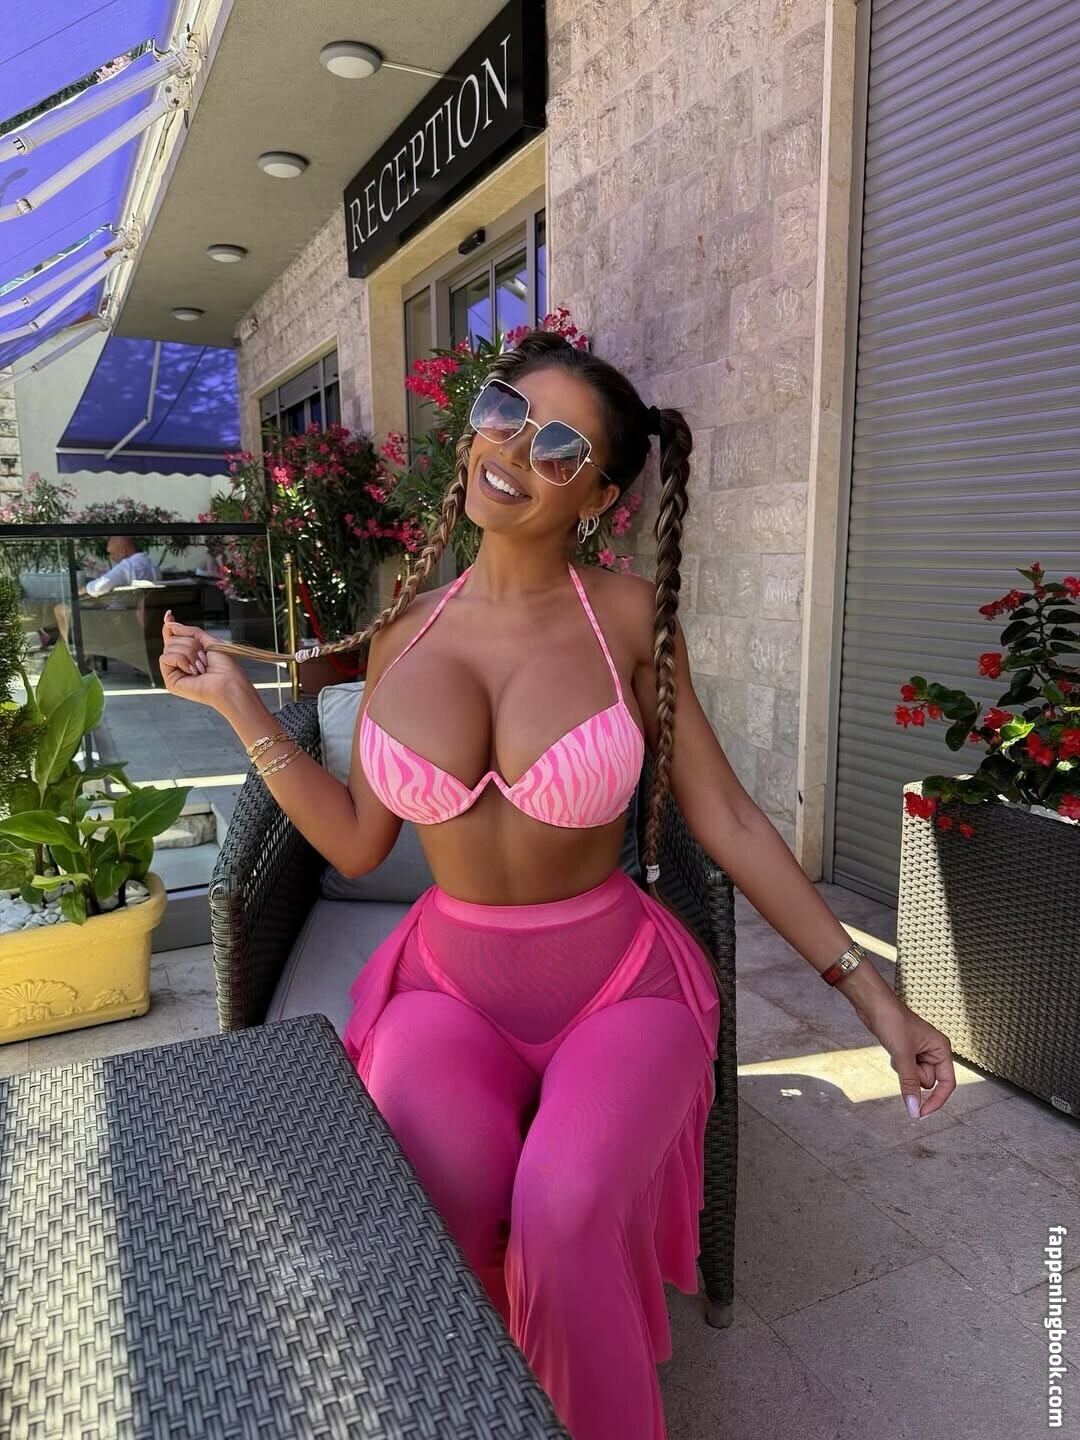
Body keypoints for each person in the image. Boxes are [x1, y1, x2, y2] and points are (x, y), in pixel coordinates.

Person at [158, 330, 956, 1440]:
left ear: (600, 498)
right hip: (446, 988)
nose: (513, 450)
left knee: (565, 1212)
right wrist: (237, 706)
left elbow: (726, 818)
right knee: (443, 1206)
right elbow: (355, 844)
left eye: (560, 447)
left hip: (619, 985)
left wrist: (874, 997)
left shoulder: (626, 618)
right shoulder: (402, 634)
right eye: (503, 412)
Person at [50, 535, 161, 647]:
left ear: (123, 552)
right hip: (145, 616)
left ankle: (70, 649)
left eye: (110, 553)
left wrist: (83, 590)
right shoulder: (150, 564)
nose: (110, 557)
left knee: (63, 608)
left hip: (124, 618)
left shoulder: (128, 566)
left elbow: (101, 585)